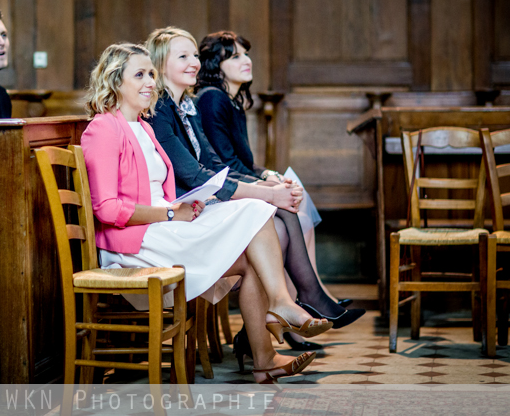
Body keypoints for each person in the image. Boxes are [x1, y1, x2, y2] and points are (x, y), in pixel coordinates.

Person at [81, 42, 331, 384]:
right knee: (255, 212)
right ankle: (281, 307)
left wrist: (189, 204)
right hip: (134, 242)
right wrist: (171, 214)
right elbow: (107, 209)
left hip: (162, 226)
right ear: (114, 81)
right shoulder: (103, 128)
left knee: (254, 233)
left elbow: (158, 191)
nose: (150, 82)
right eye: (139, 75)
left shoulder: (143, 126)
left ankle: (267, 354)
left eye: (151, 74)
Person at [144, 27, 365, 363]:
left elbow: (214, 165)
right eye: (183, 56)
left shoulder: (186, 105)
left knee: (280, 216)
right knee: (273, 217)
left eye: (195, 55)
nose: (194, 63)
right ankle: (291, 306)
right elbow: (194, 175)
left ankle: (279, 316)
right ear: (160, 64)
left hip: (202, 199)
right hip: (185, 210)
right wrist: (266, 193)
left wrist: (267, 187)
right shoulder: (162, 108)